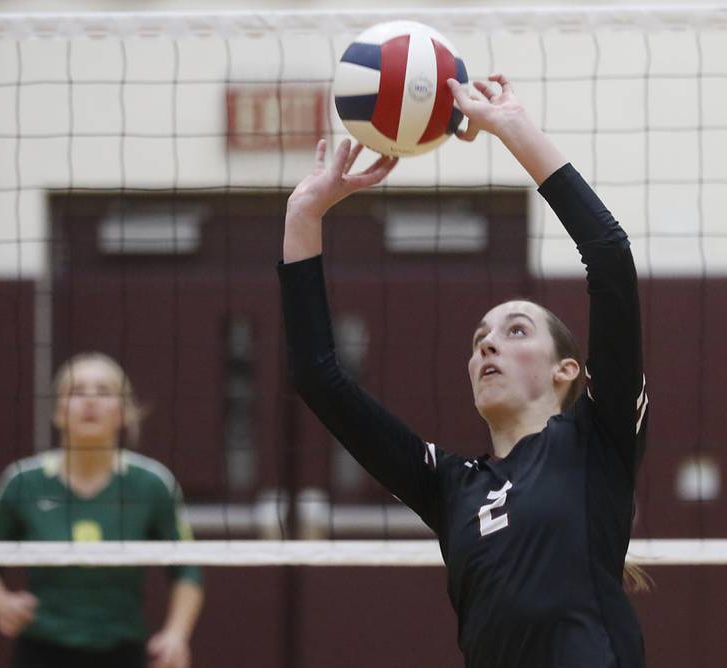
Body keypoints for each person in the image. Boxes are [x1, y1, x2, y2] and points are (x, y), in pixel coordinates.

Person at [277, 74, 649, 667]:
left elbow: (608, 255)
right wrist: (304, 214)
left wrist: (513, 129)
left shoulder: (596, 441)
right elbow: (320, 378)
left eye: (515, 331)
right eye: (479, 340)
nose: (487, 347)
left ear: (566, 371)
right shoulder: (452, 486)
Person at [0, 352, 204, 668]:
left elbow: (188, 569)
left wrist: (176, 634)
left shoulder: (151, 483)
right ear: (56, 411)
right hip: (42, 648)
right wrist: (0, 602)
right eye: (77, 391)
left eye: (104, 392)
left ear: (123, 412)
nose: (90, 401)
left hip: (122, 648)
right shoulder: (23, 482)